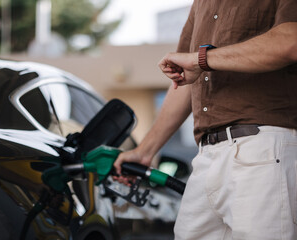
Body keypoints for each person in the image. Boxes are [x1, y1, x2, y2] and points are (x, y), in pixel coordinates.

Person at [113, 0, 297, 239]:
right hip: (206, 156)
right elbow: (186, 78)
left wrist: (202, 59)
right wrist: (145, 151)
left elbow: (290, 41)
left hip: (262, 147)